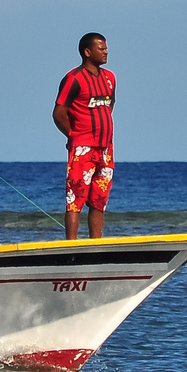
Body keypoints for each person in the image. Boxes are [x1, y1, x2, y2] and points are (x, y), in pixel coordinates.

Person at [52, 32, 115, 240]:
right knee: (75, 198)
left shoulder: (109, 78)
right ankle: (71, 245)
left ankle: (96, 243)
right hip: (82, 149)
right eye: (101, 48)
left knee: (99, 199)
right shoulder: (74, 79)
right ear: (88, 52)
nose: (105, 51)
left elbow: (109, 105)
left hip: (105, 149)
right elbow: (59, 113)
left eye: (106, 47)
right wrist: (74, 136)